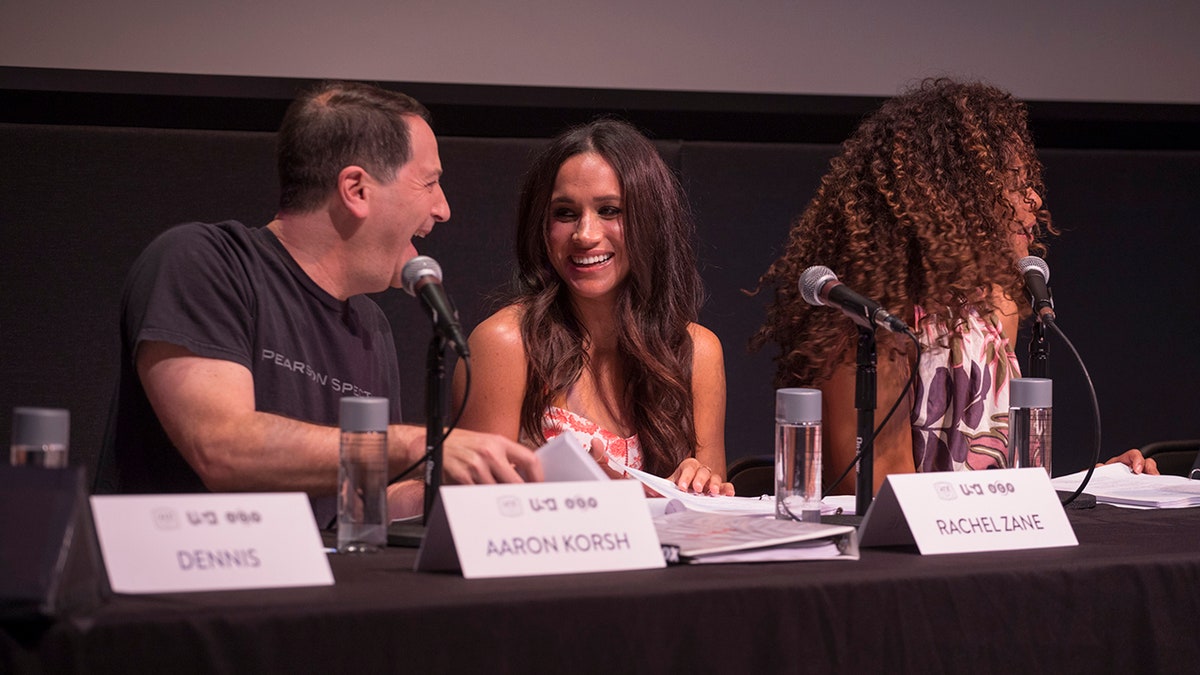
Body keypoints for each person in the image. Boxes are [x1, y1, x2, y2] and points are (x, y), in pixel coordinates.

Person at [96, 80, 541, 522]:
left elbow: (365, 503)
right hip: (184, 581)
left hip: (309, 585)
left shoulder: (370, 325)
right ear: (357, 190)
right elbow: (223, 448)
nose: (443, 209)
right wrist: (416, 445)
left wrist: (485, 481)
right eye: (429, 183)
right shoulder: (204, 261)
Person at [752, 78, 1155, 495]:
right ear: (953, 195)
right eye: (1014, 183)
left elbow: (998, 477)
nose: (1033, 198)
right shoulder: (869, 327)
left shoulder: (999, 310)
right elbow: (883, 494)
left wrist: (1096, 483)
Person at [451, 118, 732, 495]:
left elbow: (713, 517)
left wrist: (701, 484)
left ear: (650, 221)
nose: (585, 234)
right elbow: (478, 513)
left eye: (610, 210)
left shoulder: (698, 352)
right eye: (565, 213)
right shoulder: (504, 343)